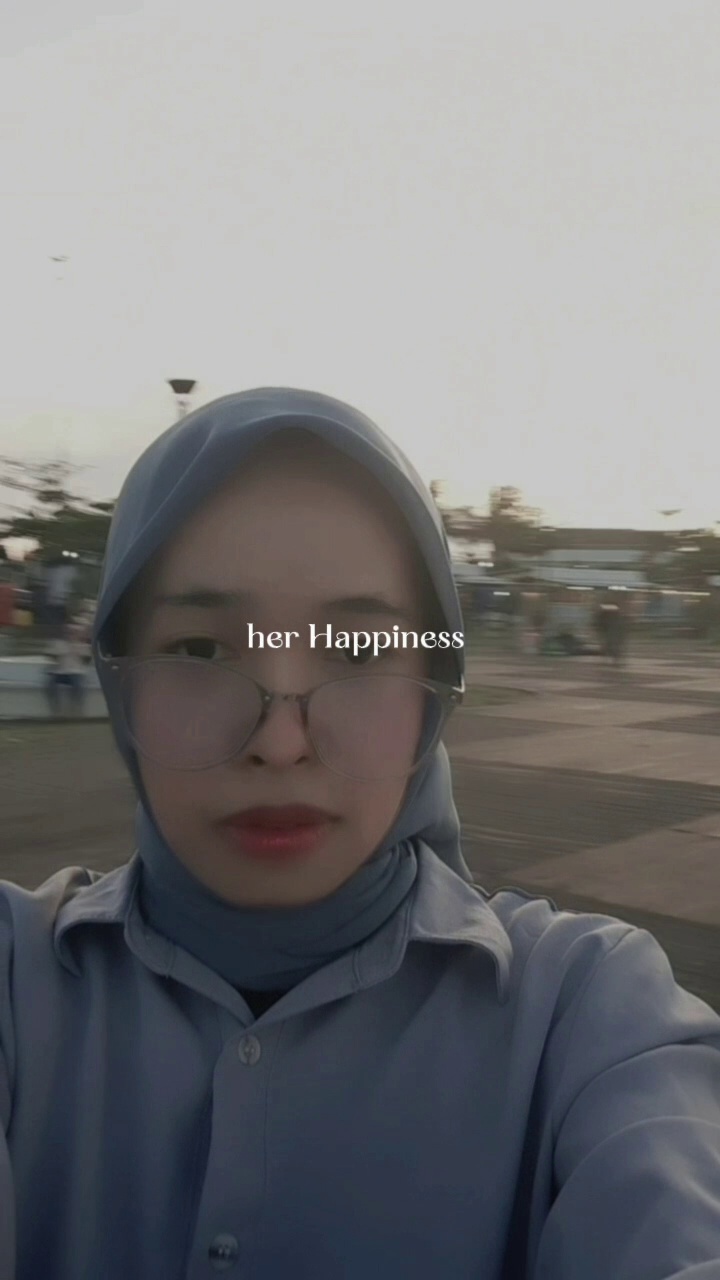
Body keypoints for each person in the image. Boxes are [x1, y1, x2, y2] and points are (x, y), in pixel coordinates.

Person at [0, 388, 718, 1280]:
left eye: (359, 652)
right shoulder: (15, 983)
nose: (280, 743)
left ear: (433, 691)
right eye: (199, 651)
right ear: (118, 680)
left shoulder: (585, 1015)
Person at [43, 617, 89, 718]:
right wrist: (56, 655)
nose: (71, 634)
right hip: (60, 672)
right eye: (69, 632)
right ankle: (55, 710)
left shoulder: (82, 645)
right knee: (49, 684)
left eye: (73, 632)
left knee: (78, 685)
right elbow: (50, 656)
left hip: (76, 672)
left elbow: (86, 661)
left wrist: (79, 650)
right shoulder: (58, 643)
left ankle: (76, 710)